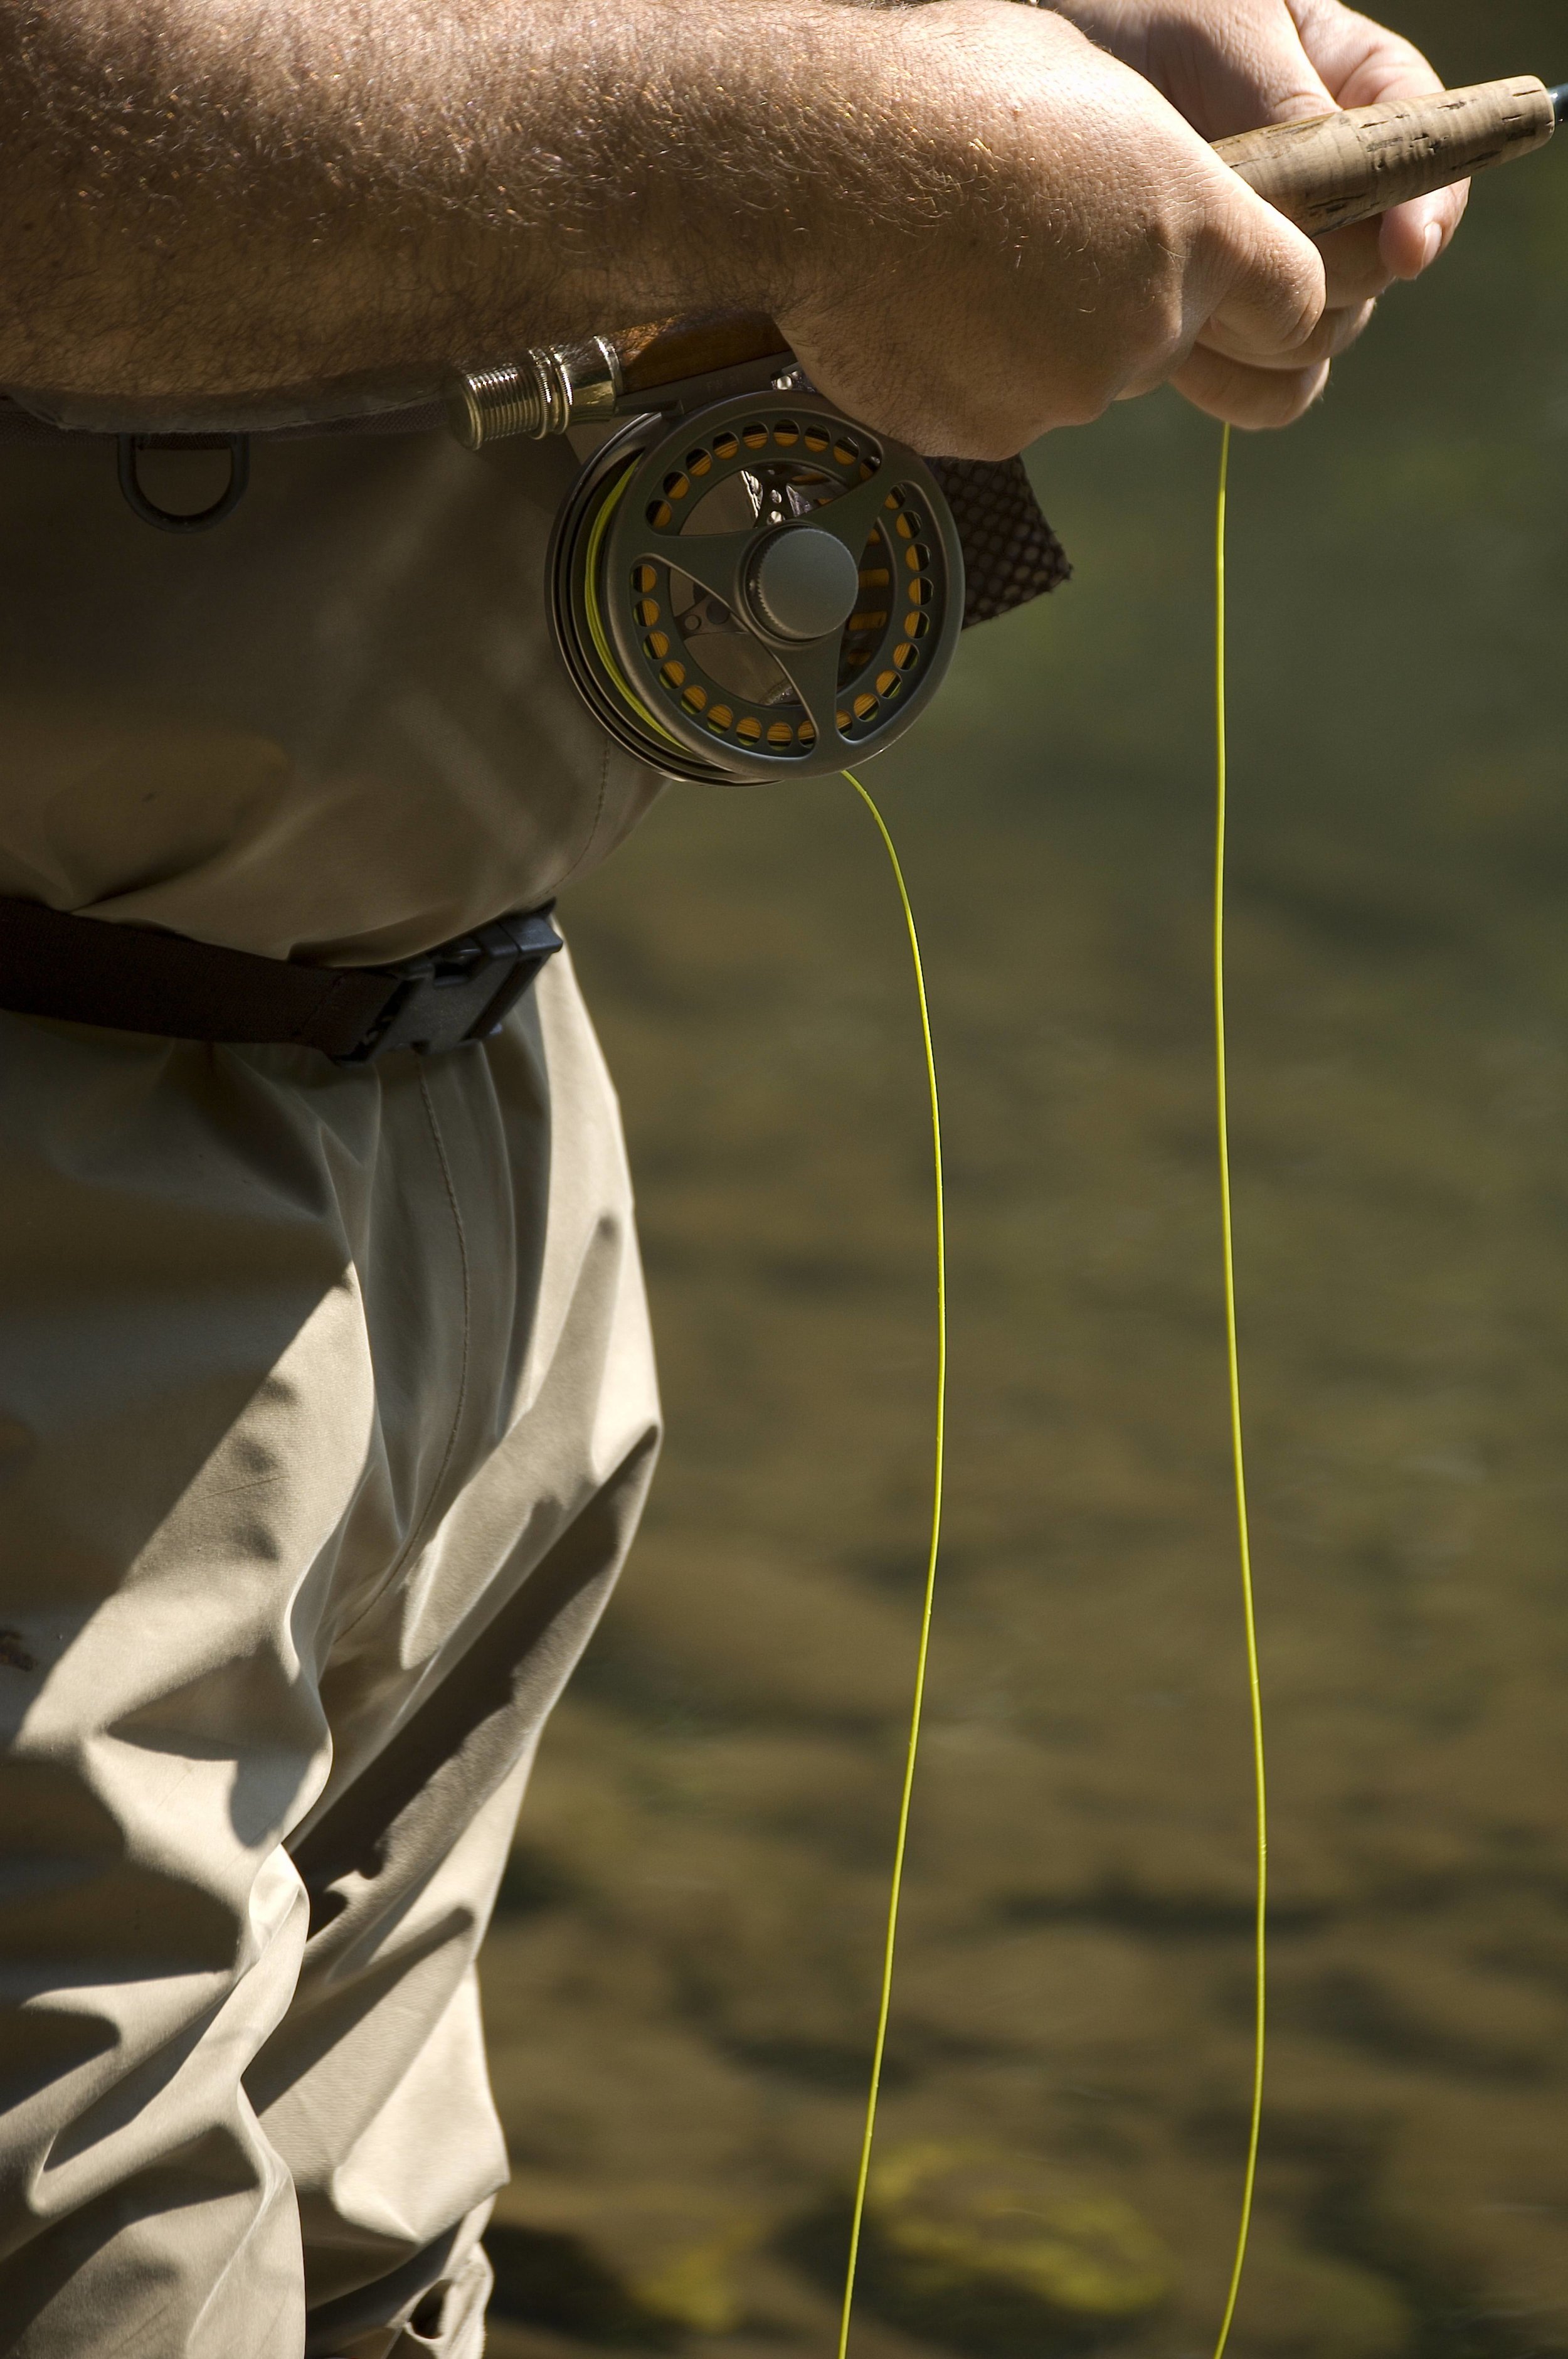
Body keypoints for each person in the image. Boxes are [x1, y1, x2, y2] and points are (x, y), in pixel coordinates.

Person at [0, 3, 1465, 2353]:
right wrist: (793, 156)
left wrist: (1012, 37)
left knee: (384, 2264)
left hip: (471, 1086)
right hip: (57, 1154)